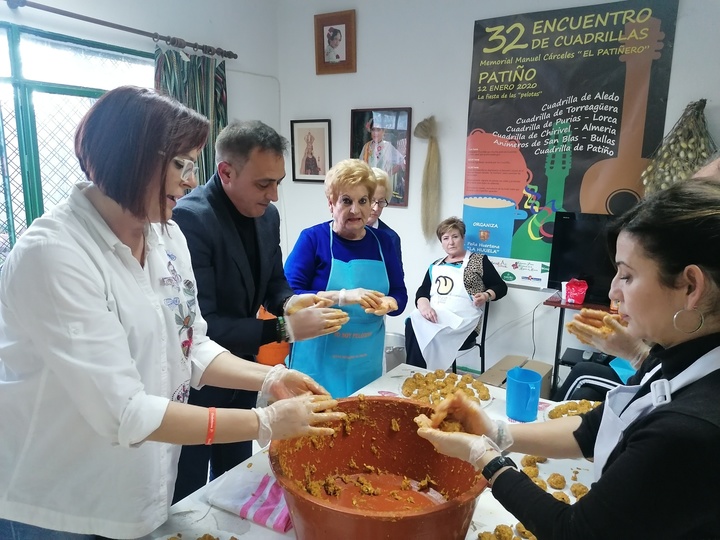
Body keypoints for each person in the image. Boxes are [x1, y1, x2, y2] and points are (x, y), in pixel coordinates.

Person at [0, 86, 346, 540]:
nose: (188, 180)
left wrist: (269, 379)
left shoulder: (165, 237)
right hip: (63, 505)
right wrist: (263, 423)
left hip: (141, 488)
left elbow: (191, 344)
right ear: (133, 160)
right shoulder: (55, 254)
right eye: (179, 164)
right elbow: (125, 413)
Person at [416, 175, 720, 538]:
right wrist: (497, 432)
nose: (613, 291)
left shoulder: (690, 427)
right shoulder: (682, 359)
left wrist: (485, 456)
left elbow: (575, 531)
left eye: (626, 275)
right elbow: (593, 430)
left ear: (690, 286)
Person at [171, 120, 348, 502]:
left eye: (278, 182)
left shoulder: (267, 216)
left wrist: (291, 303)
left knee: (235, 482)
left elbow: (274, 284)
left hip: (244, 377)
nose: (275, 195)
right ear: (226, 172)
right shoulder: (191, 219)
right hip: (196, 385)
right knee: (186, 492)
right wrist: (286, 330)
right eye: (264, 183)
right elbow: (205, 327)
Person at [284, 158, 408, 398]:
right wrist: (342, 296)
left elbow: (399, 294)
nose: (356, 210)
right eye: (346, 201)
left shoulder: (384, 242)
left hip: (365, 362)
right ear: (331, 204)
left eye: (363, 201)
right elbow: (287, 297)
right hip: (318, 362)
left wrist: (390, 304)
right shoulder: (313, 239)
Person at [405, 217, 507, 371]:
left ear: (463, 238)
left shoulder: (478, 260)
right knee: (413, 321)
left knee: (425, 332)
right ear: (441, 242)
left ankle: (421, 374)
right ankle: (416, 373)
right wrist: (424, 305)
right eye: (445, 238)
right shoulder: (436, 265)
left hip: (464, 321)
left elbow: (500, 286)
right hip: (438, 315)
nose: (450, 242)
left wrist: (486, 295)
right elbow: (423, 290)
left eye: (455, 236)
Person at [554, 308, 651, 401]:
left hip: (642, 381)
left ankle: (550, 414)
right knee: (584, 394)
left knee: (582, 370)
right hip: (626, 369)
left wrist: (637, 352)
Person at [358, 118, 406, 203]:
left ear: (383, 131)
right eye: (373, 130)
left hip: (382, 185)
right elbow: (360, 166)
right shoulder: (366, 146)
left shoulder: (387, 146)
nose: (375, 133)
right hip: (368, 185)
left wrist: (387, 174)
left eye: (378, 130)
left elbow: (400, 162)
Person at [368, 167, 402, 261]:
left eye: (381, 201)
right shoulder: (344, 230)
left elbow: (396, 275)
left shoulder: (391, 238)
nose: (376, 208)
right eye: (372, 201)